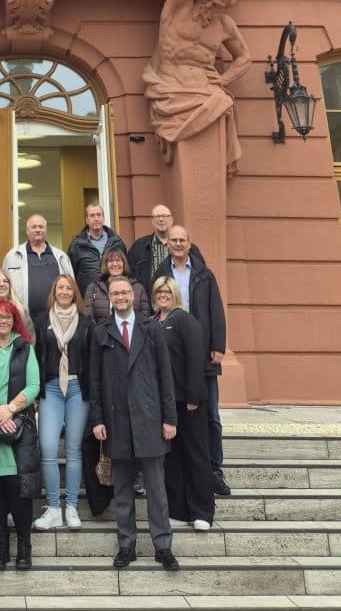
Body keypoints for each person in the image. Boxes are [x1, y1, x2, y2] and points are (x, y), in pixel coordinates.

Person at [89, 276, 179, 572]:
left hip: (149, 416)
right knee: (123, 488)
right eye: (115, 293)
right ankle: (126, 545)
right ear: (110, 297)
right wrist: (98, 419)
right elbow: (95, 380)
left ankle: (162, 546)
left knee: (156, 487)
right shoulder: (100, 331)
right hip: (116, 419)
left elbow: (165, 375)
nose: (120, 297)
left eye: (125, 292)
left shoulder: (151, 329)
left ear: (134, 295)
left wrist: (169, 418)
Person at [142, 0, 251, 173]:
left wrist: (224, 80)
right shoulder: (176, 10)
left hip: (207, 91)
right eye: (214, 2)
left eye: (222, 6)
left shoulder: (224, 24)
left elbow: (244, 57)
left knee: (222, 105)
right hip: (171, 90)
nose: (216, 9)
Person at [152, 224, 230, 496]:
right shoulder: (161, 273)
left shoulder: (203, 273)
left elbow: (215, 310)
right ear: (168, 244)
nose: (177, 244)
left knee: (210, 415)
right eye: (173, 240)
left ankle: (214, 470)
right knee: (178, 413)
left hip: (203, 352)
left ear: (189, 242)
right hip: (173, 352)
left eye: (181, 240)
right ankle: (184, 468)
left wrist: (218, 345)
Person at [0, 300, 40, 571]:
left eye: (8, 317)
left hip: (18, 427)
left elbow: (34, 385)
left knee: (19, 494)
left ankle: (24, 546)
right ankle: (1, 548)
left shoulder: (25, 349)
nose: (3, 321)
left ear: (15, 321)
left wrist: (10, 409)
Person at [32, 274, 93, 531]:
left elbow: (92, 360)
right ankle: (53, 508)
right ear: (54, 292)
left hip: (78, 388)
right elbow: (35, 357)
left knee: (73, 449)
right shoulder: (42, 320)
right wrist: (35, 393)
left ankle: (71, 507)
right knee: (46, 447)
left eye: (69, 288)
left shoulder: (86, 323)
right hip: (51, 388)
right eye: (60, 287)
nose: (65, 291)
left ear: (74, 293)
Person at [152, 276, 213, 531]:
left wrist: (193, 397)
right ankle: (177, 509)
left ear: (175, 293)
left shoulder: (185, 320)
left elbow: (195, 359)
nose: (163, 295)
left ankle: (202, 511)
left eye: (167, 291)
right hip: (164, 403)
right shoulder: (153, 321)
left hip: (187, 402)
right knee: (172, 457)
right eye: (159, 291)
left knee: (195, 454)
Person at [2, 214, 74, 319]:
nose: (38, 230)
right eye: (34, 227)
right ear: (27, 231)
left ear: (46, 230)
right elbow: (4, 287)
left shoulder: (61, 257)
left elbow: (72, 286)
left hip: (56, 319)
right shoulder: (13, 256)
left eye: (41, 227)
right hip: (23, 319)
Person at [128, 204, 207, 294]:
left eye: (165, 216)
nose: (161, 219)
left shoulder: (190, 249)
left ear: (171, 220)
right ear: (152, 221)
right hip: (150, 302)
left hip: (184, 300)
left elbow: (203, 277)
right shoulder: (139, 247)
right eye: (157, 216)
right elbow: (130, 276)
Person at [67, 203, 127, 297]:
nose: (96, 218)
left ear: (103, 218)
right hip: (88, 299)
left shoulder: (117, 242)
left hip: (115, 297)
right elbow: (71, 276)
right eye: (92, 215)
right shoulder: (76, 245)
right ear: (87, 220)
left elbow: (126, 271)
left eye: (99, 215)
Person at [83, 248, 152, 323]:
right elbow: (88, 315)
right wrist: (98, 332)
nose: (115, 264)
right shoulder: (93, 287)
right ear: (106, 264)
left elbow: (145, 316)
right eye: (111, 261)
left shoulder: (138, 288)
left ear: (124, 263)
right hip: (101, 332)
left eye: (118, 260)